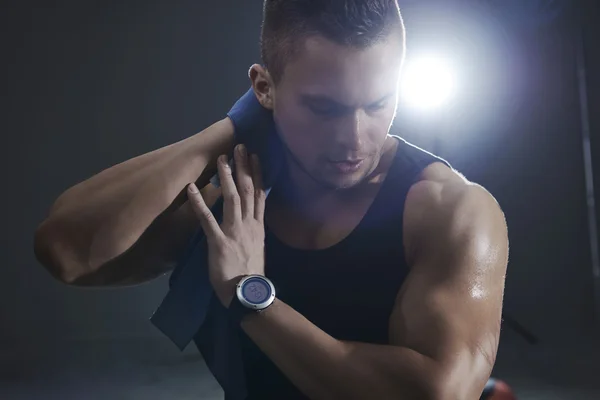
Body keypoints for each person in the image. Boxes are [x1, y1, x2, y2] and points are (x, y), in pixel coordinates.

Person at [34, 0, 509, 399]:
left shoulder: (449, 211)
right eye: (325, 108)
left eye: (378, 103)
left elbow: (433, 394)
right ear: (264, 86)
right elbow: (67, 253)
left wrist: (249, 294)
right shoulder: (232, 188)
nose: (354, 139)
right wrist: (232, 128)